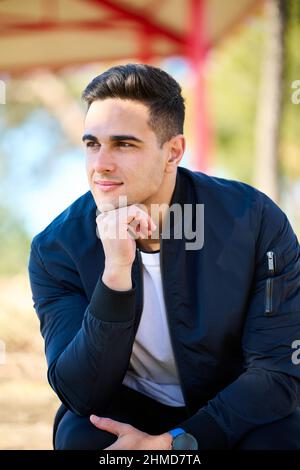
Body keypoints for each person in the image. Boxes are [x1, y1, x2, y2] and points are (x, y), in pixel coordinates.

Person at [28, 63, 300, 450]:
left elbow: (277, 371)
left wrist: (177, 444)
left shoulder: (251, 220)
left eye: (124, 144)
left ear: (173, 151)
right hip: (127, 410)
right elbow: (79, 392)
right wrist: (116, 275)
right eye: (92, 143)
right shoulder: (57, 248)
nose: (100, 164)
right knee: (81, 439)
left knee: (283, 438)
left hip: (231, 408)